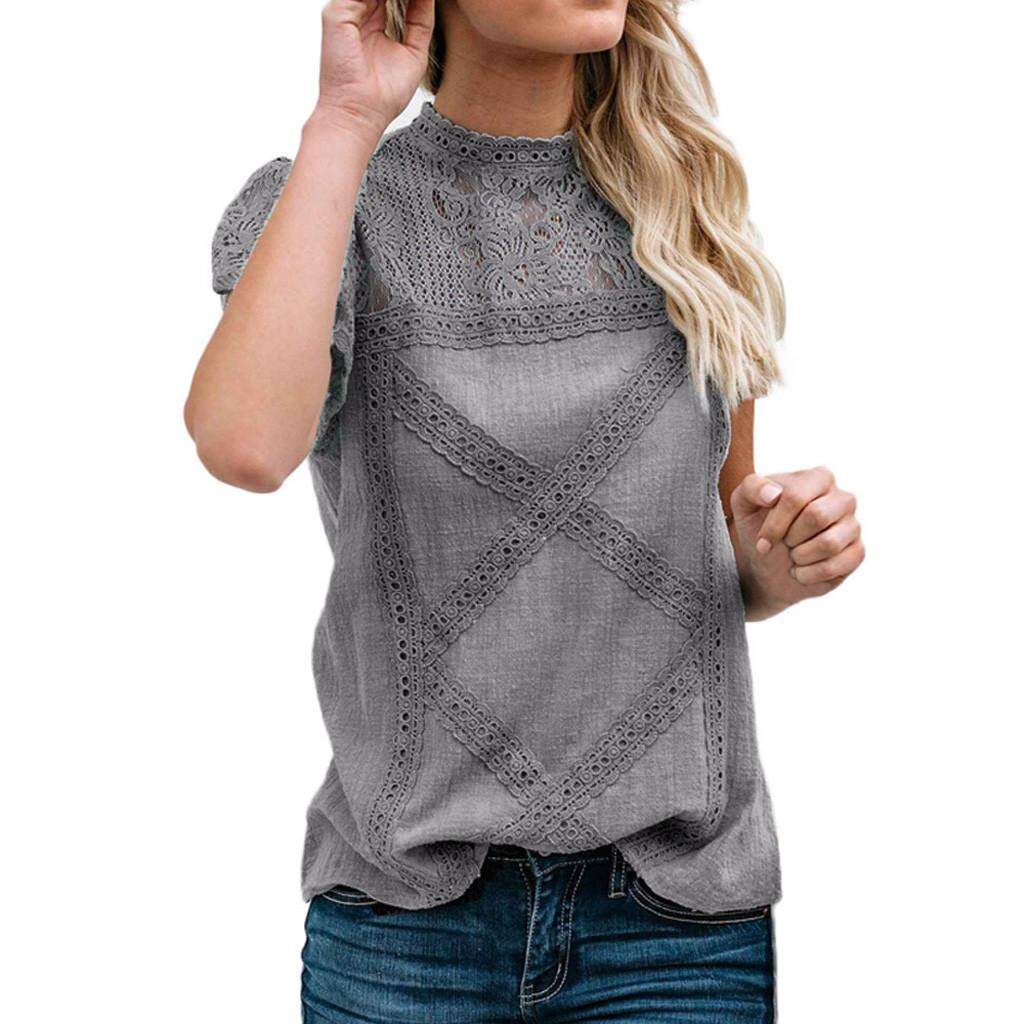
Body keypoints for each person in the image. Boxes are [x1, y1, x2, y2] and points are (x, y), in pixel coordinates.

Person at [184, 1, 865, 1020]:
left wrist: (779, 560)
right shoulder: (335, 207)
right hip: (410, 926)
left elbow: (725, 549)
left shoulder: (688, 210)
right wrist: (344, 121)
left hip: (676, 929)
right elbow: (243, 445)